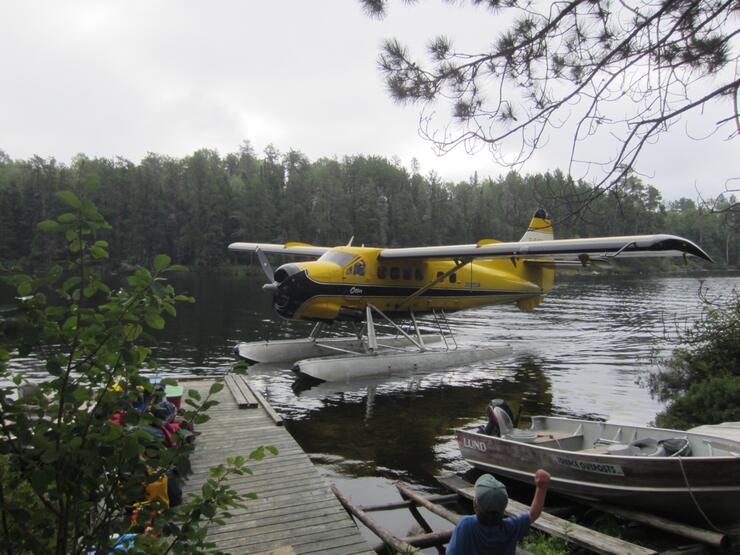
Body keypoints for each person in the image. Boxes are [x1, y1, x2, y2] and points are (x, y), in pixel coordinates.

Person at [446, 469, 551, 555]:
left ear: (474, 504)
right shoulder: (511, 527)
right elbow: (533, 514)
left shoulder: (466, 525)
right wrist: (542, 487)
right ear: (504, 508)